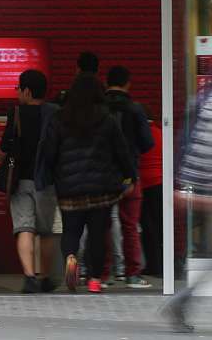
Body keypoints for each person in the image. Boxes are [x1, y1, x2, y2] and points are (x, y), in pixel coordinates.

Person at [41, 73, 136, 293]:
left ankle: (72, 258)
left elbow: (49, 153)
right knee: (97, 234)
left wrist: (53, 176)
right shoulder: (107, 119)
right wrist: (130, 176)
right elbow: (121, 152)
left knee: (71, 231)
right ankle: (94, 280)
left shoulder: (59, 118)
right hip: (101, 188)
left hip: (69, 188)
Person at [162, 77, 212, 333]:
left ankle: (182, 300)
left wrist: (179, 183)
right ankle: (181, 300)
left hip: (202, 188)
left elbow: (184, 142)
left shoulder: (201, 101)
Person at [0, 69, 59, 293]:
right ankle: (44, 277)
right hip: (46, 180)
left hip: (21, 180)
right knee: (45, 232)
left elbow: (5, 147)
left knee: (24, 227)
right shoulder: (55, 113)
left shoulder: (15, 113)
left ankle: (29, 277)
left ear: (26, 90)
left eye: (18, 88)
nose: (17, 93)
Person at [98, 65, 154, 289]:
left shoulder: (98, 107)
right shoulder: (135, 109)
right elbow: (148, 142)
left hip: (102, 175)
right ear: (128, 83)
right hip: (130, 175)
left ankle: (103, 275)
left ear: (107, 81)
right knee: (130, 225)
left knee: (103, 225)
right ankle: (132, 274)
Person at [139, 114, 163, 277]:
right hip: (160, 183)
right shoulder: (161, 132)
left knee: (148, 228)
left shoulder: (140, 133)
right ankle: (163, 265)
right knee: (161, 226)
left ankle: (153, 265)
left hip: (144, 184)